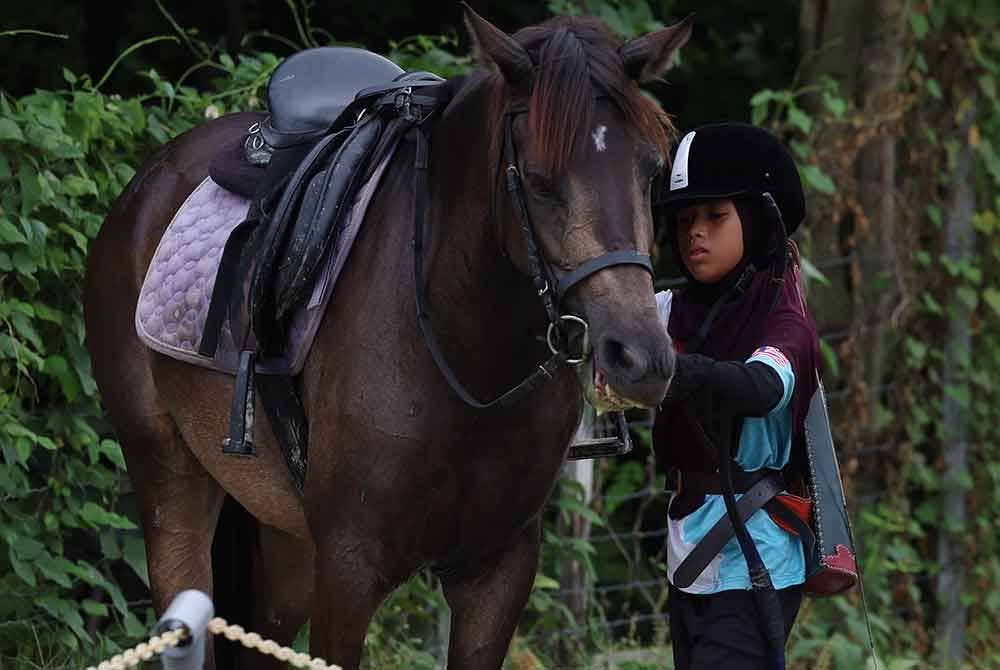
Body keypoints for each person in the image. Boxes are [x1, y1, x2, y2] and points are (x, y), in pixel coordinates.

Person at [651, 122, 821, 669]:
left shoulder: (785, 317)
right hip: (687, 556)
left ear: (753, 220)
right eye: (684, 220)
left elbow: (762, 388)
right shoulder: (666, 311)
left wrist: (673, 369)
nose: (694, 232)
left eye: (714, 216)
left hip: (758, 559)